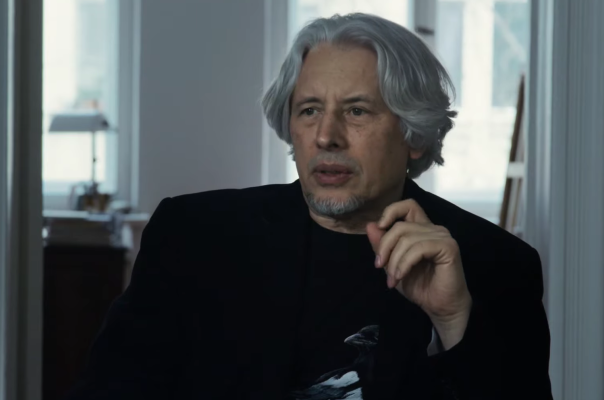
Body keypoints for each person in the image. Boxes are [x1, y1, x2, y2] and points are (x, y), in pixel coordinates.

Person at [66, 13, 552, 400]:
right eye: (310, 110)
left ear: (414, 135)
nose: (326, 136)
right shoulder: (193, 236)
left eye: (357, 111)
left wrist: (453, 321)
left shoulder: (494, 263)